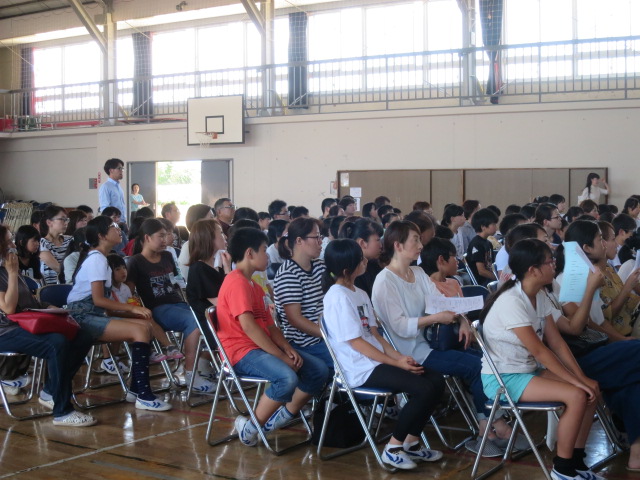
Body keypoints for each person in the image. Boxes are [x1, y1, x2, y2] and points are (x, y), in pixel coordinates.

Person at [373, 222, 516, 454]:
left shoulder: (418, 273)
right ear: (398, 245)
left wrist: (462, 320)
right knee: (477, 367)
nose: (420, 245)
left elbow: (441, 303)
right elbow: (399, 326)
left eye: (419, 239)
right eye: (415, 240)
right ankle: (490, 426)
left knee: (484, 360)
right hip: (410, 350)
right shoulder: (385, 281)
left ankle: (489, 425)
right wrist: (436, 318)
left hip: (432, 343)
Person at [480, 238, 603, 480]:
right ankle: (562, 469)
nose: (554, 264)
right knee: (577, 395)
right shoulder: (511, 301)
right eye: (549, 261)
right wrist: (576, 382)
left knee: (592, 389)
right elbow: (540, 351)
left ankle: (577, 463)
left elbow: (557, 343)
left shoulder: (540, 295)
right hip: (503, 378)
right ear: (533, 270)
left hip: (527, 371)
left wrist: (581, 377)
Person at [322, 238, 444, 469]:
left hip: (376, 361)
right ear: (347, 269)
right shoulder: (337, 296)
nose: (365, 261)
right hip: (358, 369)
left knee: (436, 380)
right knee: (423, 388)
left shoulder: (359, 292)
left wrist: (398, 357)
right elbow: (358, 344)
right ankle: (393, 448)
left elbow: (375, 335)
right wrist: (396, 364)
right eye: (360, 259)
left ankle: (411, 443)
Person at [216, 227, 327, 446]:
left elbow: (270, 325)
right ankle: (251, 428)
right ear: (250, 253)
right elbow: (249, 327)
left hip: (258, 348)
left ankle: (273, 422)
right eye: (264, 250)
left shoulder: (254, 285)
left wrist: (288, 348)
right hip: (240, 352)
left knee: (318, 370)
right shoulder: (236, 282)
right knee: (286, 378)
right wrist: (280, 356)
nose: (268, 255)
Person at [66, 216, 171, 411]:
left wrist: (131, 312)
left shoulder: (102, 258)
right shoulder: (96, 259)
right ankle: (144, 395)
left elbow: (102, 305)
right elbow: (98, 300)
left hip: (95, 314)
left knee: (145, 325)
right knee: (140, 330)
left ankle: (135, 390)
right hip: (82, 316)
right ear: (101, 236)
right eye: (113, 227)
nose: (119, 229)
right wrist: (132, 308)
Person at [0, 225, 97, 426]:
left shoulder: (8, 268)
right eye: (8, 241)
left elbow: (28, 302)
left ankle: (51, 390)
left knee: (83, 335)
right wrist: (12, 273)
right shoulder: (9, 270)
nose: (13, 245)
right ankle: (62, 411)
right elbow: (8, 308)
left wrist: (48, 307)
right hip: (5, 331)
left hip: (24, 323)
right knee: (56, 343)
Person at [126, 218, 215, 392]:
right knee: (193, 320)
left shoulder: (167, 256)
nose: (165, 240)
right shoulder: (136, 261)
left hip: (177, 304)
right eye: (161, 236)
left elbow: (177, 281)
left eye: (166, 235)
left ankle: (203, 364)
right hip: (157, 309)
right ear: (147, 237)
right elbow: (128, 293)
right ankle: (191, 375)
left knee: (207, 315)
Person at [273, 217, 332, 371]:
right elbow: (295, 319)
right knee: (351, 359)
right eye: (316, 237)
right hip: (305, 342)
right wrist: (328, 334)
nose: (320, 242)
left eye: (320, 237)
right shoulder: (288, 274)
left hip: (325, 333)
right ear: (299, 241)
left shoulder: (320, 266)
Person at [186, 218, 232, 325]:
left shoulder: (218, 264)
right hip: (215, 324)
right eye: (221, 233)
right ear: (209, 238)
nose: (225, 236)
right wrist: (227, 269)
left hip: (225, 319)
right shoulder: (198, 268)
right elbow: (223, 302)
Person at [339, 218, 383, 298]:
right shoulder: (352, 273)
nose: (381, 245)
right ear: (362, 243)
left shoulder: (374, 264)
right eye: (378, 240)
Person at [177, 204, 215, 280]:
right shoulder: (188, 246)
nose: (215, 221)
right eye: (211, 217)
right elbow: (184, 275)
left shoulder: (214, 242)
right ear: (199, 221)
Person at [39, 205, 73, 285]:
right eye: (62, 219)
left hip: (71, 284)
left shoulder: (70, 240)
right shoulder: (42, 243)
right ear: (49, 222)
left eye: (67, 220)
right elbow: (57, 267)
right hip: (52, 287)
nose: (66, 223)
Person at [466, 207, 499, 286]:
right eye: (493, 224)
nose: (496, 227)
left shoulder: (488, 243)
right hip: (482, 283)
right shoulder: (476, 244)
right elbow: (481, 271)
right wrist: (498, 278)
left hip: (489, 280)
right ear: (483, 227)